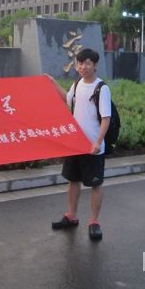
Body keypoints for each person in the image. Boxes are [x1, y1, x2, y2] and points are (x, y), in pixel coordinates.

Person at [48, 48, 111, 241]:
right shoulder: (77, 83)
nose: (83, 67)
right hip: (75, 144)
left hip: (93, 146)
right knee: (72, 180)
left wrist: (98, 142)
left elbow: (106, 119)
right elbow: (67, 100)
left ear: (95, 65)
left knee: (95, 184)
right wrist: (52, 83)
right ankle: (71, 216)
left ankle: (94, 222)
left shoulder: (101, 88)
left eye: (87, 63)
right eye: (80, 63)